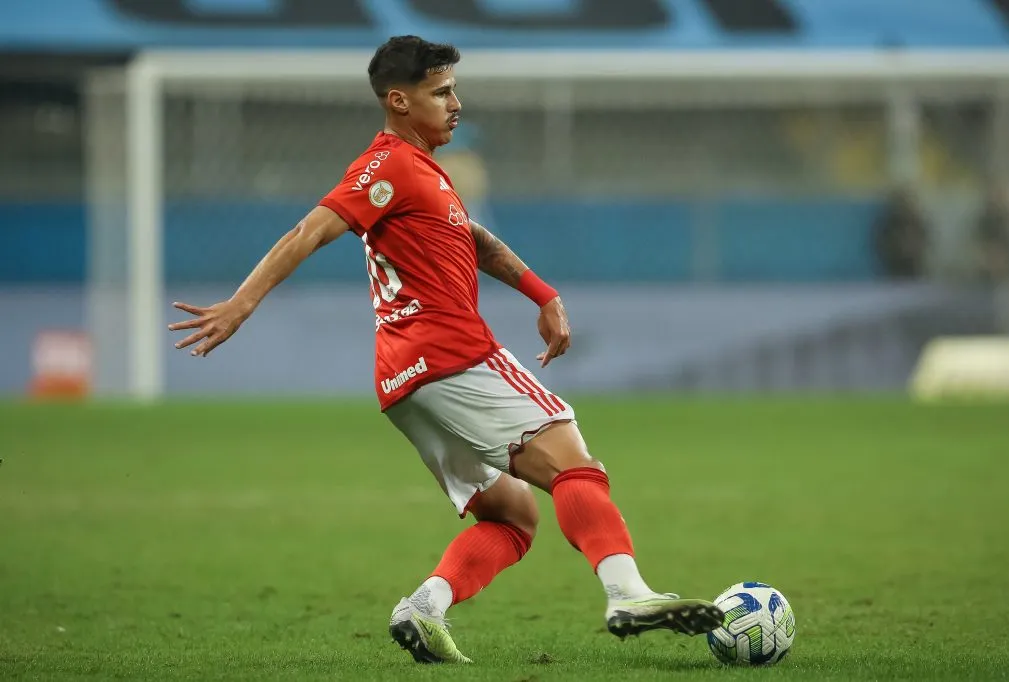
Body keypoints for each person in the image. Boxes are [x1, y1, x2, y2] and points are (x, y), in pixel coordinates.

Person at [168, 35, 724, 664]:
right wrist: (242, 303)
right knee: (574, 465)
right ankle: (627, 593)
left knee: (512, 517)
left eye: (454, 88)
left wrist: (541, 292)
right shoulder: (386, 167)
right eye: (441, 93)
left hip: (406, 382)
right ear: (399, 101)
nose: (456, 103)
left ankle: (424, 608)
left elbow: (474, 238)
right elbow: (311, 229)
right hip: (453, 354)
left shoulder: (425, 174)